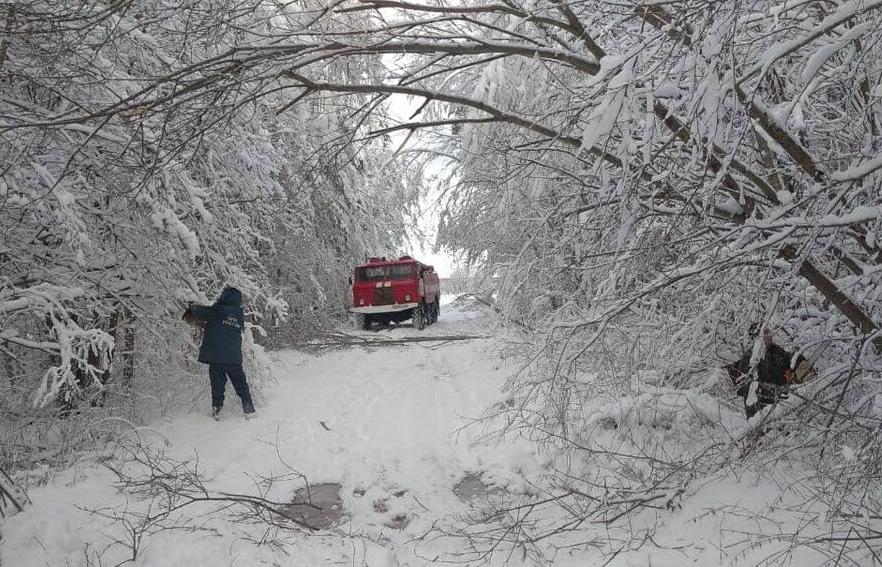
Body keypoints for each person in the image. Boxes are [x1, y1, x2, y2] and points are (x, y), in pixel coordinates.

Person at [183, 286, 255, 419]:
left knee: (217, 385)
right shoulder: (239, 315)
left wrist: (190, 305)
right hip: (233, 358)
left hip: (216, 357)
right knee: (241, 384)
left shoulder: (217, 310)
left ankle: (217, 410)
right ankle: (249, 409)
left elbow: (198, 312)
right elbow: (224, 327)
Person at [725, 324, 811, 419]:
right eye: (766, 333)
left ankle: (810, 378)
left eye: (769, 332)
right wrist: (783, 378)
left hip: (780, 401)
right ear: (757, 338)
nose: (770, 336)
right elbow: (756, 380)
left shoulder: (775, 350)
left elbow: (788, 358)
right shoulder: (750, 357)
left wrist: (797, 359)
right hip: (760, 409)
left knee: (801, 366)